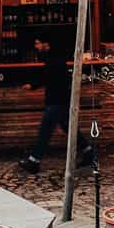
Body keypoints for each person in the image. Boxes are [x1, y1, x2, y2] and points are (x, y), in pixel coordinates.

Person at [18, 33, 94, 173]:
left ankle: (34, 161)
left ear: (45, 44)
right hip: (61, 99)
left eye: (37, 43)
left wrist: (33, 85)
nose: (36, 47)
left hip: (56, 100)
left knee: (45, 130)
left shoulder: (53, 60)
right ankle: (89, 152)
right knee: (67, 127)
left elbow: (47, 77)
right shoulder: (55, 57)